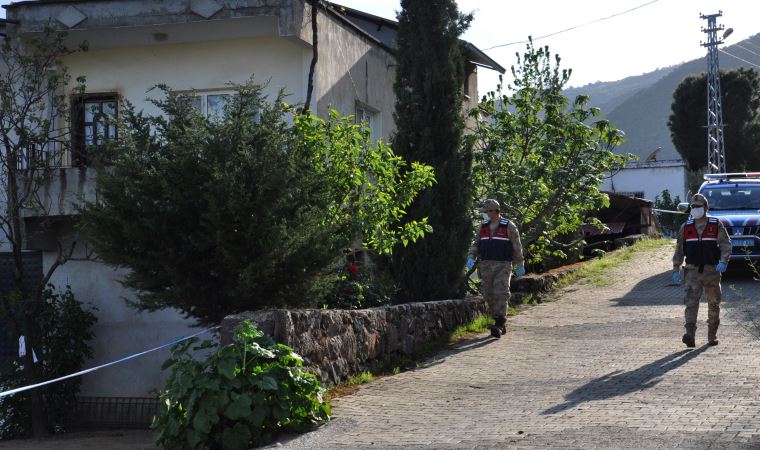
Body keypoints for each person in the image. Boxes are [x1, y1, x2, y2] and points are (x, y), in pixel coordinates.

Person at [672, 193, 731, 348]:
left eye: (698, 206)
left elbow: (726, 244)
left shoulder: (715, 224)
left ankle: (712, 336)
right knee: (690, 303)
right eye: (693, 207)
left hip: (712, 271)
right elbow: (679, 249)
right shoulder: (685, 227)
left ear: (706, 208)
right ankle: (689, 335)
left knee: (714, 303)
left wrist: (724, 261)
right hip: (692, 272)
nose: (695, 209)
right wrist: (675, 268)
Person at [467, 199, 525, 339]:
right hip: (486, 265)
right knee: (488, 294)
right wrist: (471, 256)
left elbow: (517, 246)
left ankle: (499, 322)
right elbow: (476, 244)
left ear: (494, 211)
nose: (485, 214)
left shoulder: (508, 226)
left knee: (501, 292)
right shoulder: (483, 227)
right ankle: (498, 320)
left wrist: (520, 263)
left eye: (487, 212)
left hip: (503, 265)